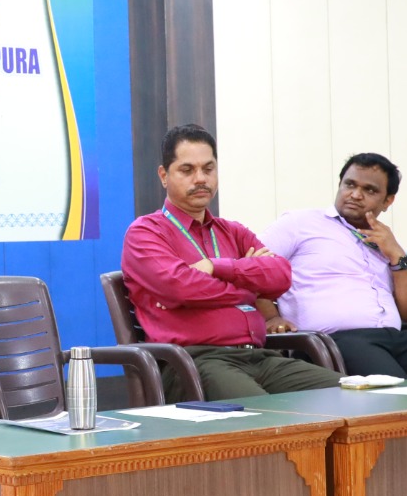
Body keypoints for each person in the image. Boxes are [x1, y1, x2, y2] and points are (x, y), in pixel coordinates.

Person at [121, 125, 344, 400]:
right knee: (266, 414)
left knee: (356, 395)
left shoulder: (232, 231)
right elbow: (181, 288)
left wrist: (218, 267)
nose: (200, 179)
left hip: (258, 357)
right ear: (164, 175)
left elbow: (281, 276)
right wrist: (250, 288)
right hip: (193, 362)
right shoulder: (146, 232)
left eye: (208, 169)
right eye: (187, 170)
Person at [258, 153, 407, 379]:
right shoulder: (300, 223)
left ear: (388, 201)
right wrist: (270, 318)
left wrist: (396, 253)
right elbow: (250, 270)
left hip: (397, 337)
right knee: (394, 388)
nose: (356, 195)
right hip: (335, 340)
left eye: (370, 190)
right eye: (350, 184)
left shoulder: (385, 240)